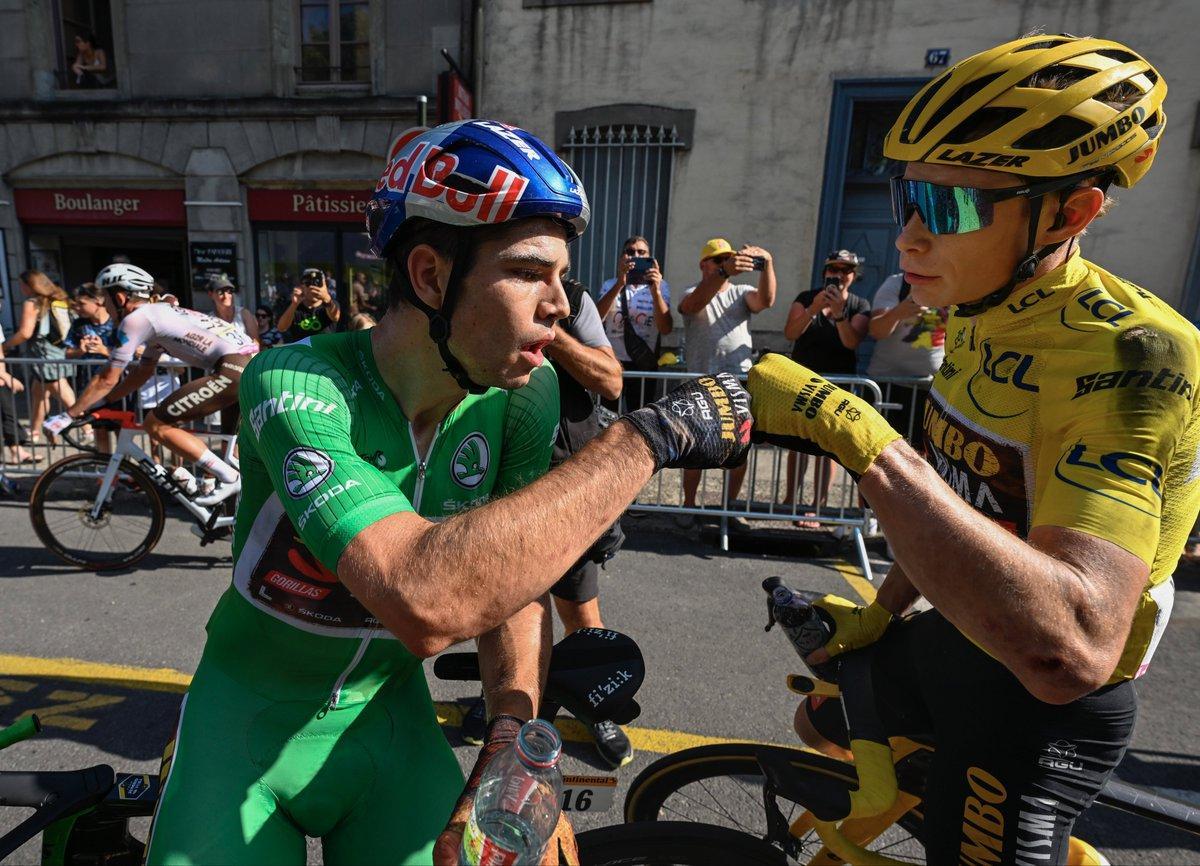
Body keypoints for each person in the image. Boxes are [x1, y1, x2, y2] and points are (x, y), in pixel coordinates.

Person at [141, 119, 751, 866]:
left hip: (387, 719)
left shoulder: (525, 398)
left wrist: (517, 753)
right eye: (531, 272)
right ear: (430, 276)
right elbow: (420, 602)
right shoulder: (298, 380)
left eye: (563, 277)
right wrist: (647, 439)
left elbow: (517, 584)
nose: (559, 306)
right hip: (243, 723)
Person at [749, 34, 1192, 863]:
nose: (910, 238)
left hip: (1036, 697)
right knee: (819, 717)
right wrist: (883, 611)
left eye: (951, 209)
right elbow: (962, 498)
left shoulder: (1131, 359)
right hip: (960, 632)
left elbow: (1073, 646)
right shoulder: (983, 305)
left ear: (1069, 213)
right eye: (907, 196)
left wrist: (860, 438)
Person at [460, 276, 629, 764]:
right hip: (496, 483)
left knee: (580, 613)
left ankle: (597, 704)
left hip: (564, 487)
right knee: (503, 606)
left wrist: (551, 335)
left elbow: (612, 380)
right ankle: (505, 705)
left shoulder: (570, 301)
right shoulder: (479, 292)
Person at [48, 264, 259, 507]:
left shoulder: (138, 319)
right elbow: (142, 372)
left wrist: (68, 414)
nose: (104, 306)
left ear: (119, 297)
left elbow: (107, 377)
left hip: (234, 369)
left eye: (105, 298)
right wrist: (102, 402)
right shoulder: (157, 316)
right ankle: (224, 515)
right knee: (227, 446)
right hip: (249, 366)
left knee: (156, 423)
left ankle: (228, 478)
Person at [678, 238, 776, 526]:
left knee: (740, 446)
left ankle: (730, 506)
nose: (725, 265)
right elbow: (693, 305)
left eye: (728, 260)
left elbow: (766, 301)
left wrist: (767, 264)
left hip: (738, 379)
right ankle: (688, 505)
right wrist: (724, 273)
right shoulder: (692, 292)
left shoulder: (742, 292)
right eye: (718, 260)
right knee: (696, 446)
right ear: (704, 265)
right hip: (702, 379)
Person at [780, 250, 871, 527]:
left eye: (846, 270)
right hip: (803, 380)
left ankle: (817, 505)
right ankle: (789, 500)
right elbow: (791, 333)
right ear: (825, 273)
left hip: (838, 386)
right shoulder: (807, 298)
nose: (839, 275)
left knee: (827, 447)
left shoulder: (859, 305)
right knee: (797, 444)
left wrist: (840, 314)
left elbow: (852, 343)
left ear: (853, 276)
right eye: (834, 269)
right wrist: (813, 310)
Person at [865, 272, 948, 440]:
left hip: (930, 389)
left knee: (921, 454)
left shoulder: (952, 287)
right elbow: (876, 331)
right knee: (879, 449)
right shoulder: (897, 283)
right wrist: (898, 312)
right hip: (887, 386)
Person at [2, 270, 77, 449]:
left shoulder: (32, 302)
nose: (21, 289)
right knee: (39, 393)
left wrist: (4, 346)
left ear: (30, 285)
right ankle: (35, 431)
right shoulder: (58, 298)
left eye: (22, 285)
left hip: (44, 354)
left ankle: (87, 425)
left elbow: (25, 333)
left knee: (61, 391)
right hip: (59, 350)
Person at [596, 235, 672, 409]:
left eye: (641, 252)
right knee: (607, 418)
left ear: (649, 258)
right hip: (613, 363)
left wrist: (656, 292)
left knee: (639, 419)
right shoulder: (610, 284)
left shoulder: (662, 286)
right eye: (630, 252)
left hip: (643, 365)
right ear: (622, 256)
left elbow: (666, 328)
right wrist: (619, 284)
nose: (635, 256)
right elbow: (597, 318)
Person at [277, 267, 341, 341]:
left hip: (323, 351)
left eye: (317, 283)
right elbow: (282, 328)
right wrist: (294, 304)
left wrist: (326, 298)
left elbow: (335, 316)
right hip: (301, 351)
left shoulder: (329, 304)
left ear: (324, 285)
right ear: (301, 286)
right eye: (308, 283)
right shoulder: (294, 306)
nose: (313, 287)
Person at [206, 274, 259, 343]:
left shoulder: (244, 315)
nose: (226, 296)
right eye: (220, 292)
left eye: (229, 291)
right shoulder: (209, 320)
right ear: (211, 294)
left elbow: (255, 343)